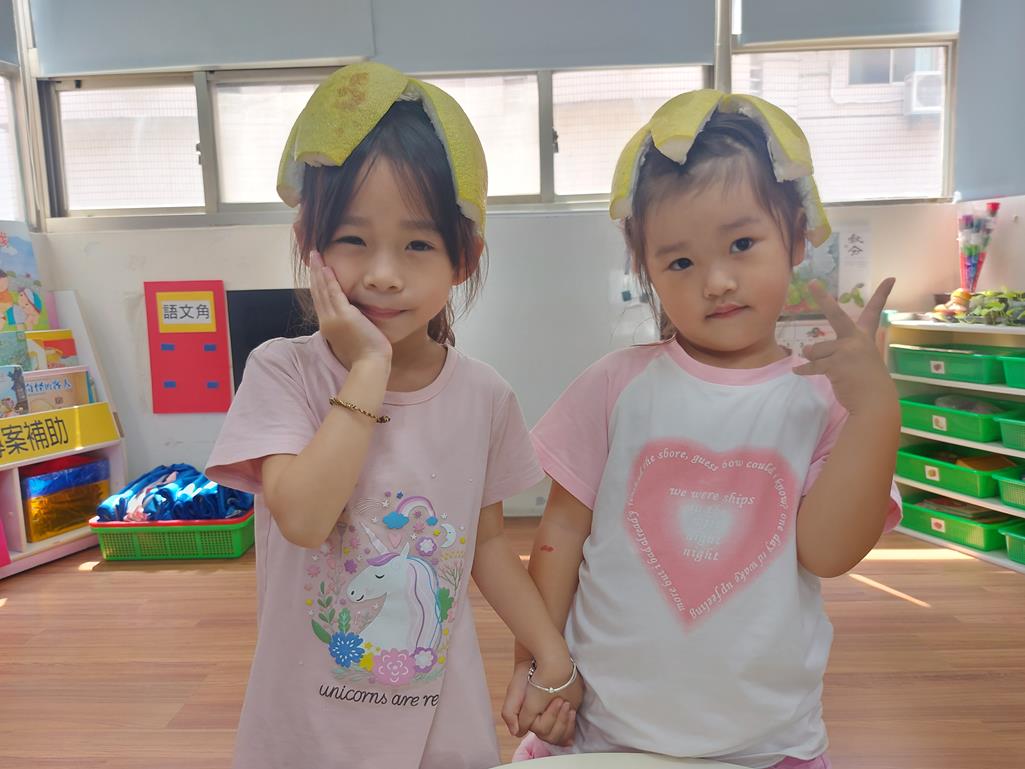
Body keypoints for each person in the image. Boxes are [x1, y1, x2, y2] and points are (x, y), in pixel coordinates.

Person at [504, 90, 902, 769]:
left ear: (796, 237)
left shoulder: (821, 400)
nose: (716, 281)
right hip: (604, 731)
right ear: (647, 270)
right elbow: (560, 533)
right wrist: (538, 662)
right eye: (680, 262)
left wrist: (874, 413)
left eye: (742, 244)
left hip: (765, 745)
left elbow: (827, 552)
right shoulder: (615, 384)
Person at [206, 62, 573, 769]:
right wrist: (368, 368)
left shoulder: (484, 395)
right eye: (352, 239)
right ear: (309, 243)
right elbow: (304, 517)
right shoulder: (282, 371)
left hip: (439, 721)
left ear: (463, 259)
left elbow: (489, 546)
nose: (382, 272)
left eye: (417, 244)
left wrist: (551, 654)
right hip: (306, 727)